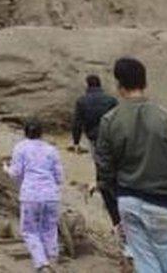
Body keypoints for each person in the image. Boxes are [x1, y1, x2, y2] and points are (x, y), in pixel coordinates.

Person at [96, 58, 167, 273]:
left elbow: (104, 170)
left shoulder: (110, 120)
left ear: (119, 85)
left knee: (146, 265)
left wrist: (113, 203)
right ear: (145, 83)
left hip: (128, 202)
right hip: (165, 203)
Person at [70, 75, 125, 260]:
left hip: (94, 137)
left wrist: (76, 141)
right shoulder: (110, 100)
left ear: (87, 85)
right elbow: (119, 118)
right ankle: (109, 187)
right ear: (100, 84)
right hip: (113, 137)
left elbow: (77, 121)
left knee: (99, 162)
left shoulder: (82, 101)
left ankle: (104, 188)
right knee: (115, 163)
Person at [5, 118, 63, 273]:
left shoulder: (20, 148)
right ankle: (52, 259)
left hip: (30, 195)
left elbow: (15, 173)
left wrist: (5, 168)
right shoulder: (52, 150)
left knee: (30, 231)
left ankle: (42, 264)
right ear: (41, 133)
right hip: (51, 196)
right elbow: (59, 177)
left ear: (25, 132)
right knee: (50, 229)